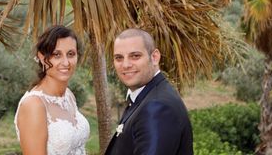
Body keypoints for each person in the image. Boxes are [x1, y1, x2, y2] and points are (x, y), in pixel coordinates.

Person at [105, 28, 193, 155]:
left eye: (135, 56)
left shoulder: (157, 108)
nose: (125, 65)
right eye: (119, 58)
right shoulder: (146, 96)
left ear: (155, 57)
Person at [14, 25, 90, 155]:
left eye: (71, 54)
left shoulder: (69, 96)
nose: (66, 62)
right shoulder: (34, 105)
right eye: (57, 55)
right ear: (43, 58)